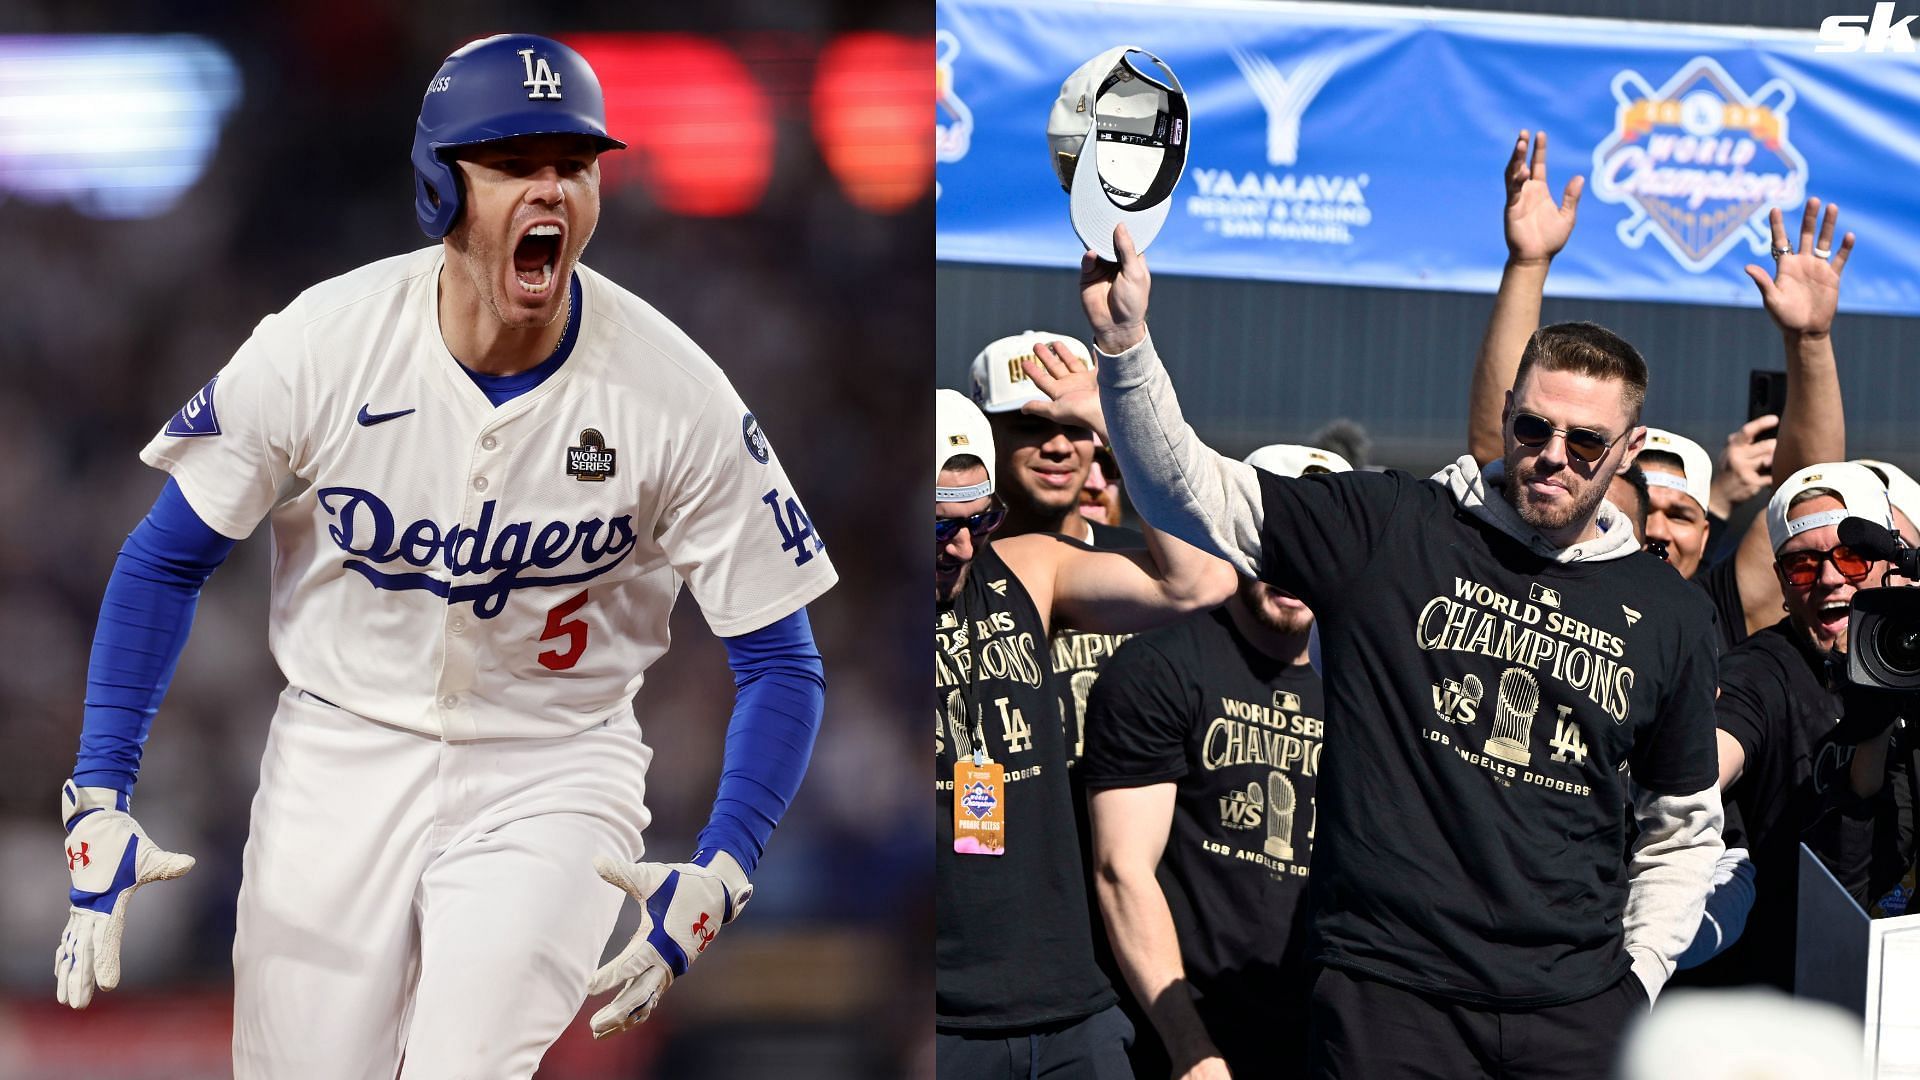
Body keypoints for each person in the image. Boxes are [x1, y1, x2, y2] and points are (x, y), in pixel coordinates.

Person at [54, 35, 835, 1077]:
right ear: (439, 188)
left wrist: (727, 863)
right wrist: (100, 793)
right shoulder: (322, 345)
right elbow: (163, 561)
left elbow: (782, 661)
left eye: (574, 164)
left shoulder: (677, 395)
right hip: (338, 754)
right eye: (513, 164)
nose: (551, 189)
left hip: (554, 765)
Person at [1040, 220, 1725, 1079]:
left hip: (1575, 1014)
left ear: (1627, 450)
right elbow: (1191, 492)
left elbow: (1684, 830)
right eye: (1533, 429)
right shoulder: (1391, 527)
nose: (1552, 458)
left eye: (1585, 443)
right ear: (1506, 417)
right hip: (1391, 999)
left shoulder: (1669, 611)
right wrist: (1125, 344)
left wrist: (1635, 980)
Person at [935, 387, 1234, 1078]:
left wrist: (1110, 426)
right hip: (944, 1017)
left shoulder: (1030, 568)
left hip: (1071, 1008)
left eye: (977, 523)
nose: (958, 546)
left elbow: (1196, 582)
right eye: (936, 526)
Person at [1464, 131, 1852, 650]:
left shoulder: (1710, 615)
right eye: (1644, 511)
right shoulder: (1533, 577)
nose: (1659, 532)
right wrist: (1528, 266)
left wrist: (1809, 341)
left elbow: (1804, 496)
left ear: (1709, 537)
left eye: (1682, 515)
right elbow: (1506, 444)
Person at [1082, 444, 1344, 1078]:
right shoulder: (1159, 667)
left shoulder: (1363, 691)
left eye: (1315, 546)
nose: (1293, 566)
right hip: (1185, 1035)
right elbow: (1123, 873)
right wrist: (1190, 1049)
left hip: (1318, 1039)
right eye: (1276, 542)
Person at [1692, 462, 1900, 989]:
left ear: (1891, 568)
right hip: (1787, 1004)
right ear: (1782, 587)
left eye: (1852, 557)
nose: (1829, 578)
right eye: (1802, 566)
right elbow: (1708, 763)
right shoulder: (1762, 669)